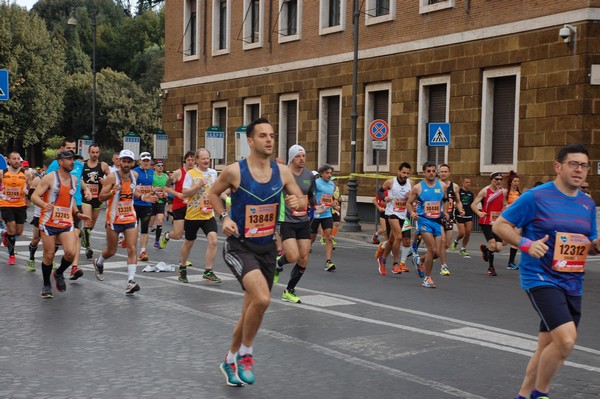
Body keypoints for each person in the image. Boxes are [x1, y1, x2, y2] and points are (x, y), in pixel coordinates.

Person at [493, 144, 599, 399]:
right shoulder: (536, 197)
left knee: (546, 346)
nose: (579, 170)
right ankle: (541, 394)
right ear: (558, 166)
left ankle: (524, 394)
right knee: (565, 340)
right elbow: (500, 225)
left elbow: (590, 243)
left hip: (572, 280)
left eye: (584, 165)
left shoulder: (587, 204)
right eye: (573, 164)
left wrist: (596, 246)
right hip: (540, 277)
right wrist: (527, 244)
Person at [207, 118, 305, 387]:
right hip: (239, 246)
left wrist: (298, 201)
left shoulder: (283, 172)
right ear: (250, 141)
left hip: (266, 249)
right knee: (262, 299)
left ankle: (229, 359)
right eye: (263, 135)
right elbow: (213, 194)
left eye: (272, 135)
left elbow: (300, 200)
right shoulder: (234, 171)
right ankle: (246, 355)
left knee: (249, 311)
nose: (269, 140)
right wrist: (224, 217)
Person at [93, 149, 158, 294]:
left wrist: (143, 198)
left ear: (132, 163)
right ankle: (99, 263)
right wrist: (111, 192)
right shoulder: (111, 177)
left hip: (130, 217)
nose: (126, 164)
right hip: (114, 219)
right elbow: (101, 197)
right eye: (124, 161)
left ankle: (131, 281)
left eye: (129, 162)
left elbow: (134, 191)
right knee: (111, 250)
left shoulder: (134, 176)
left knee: (132, 248)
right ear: (119, 162)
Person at [30, 150, 91, 298]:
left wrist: (77, 213)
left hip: (66, 221)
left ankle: (58, 273)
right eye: (69, 159)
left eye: (73, 159)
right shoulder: (49, 178)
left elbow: (70, 201)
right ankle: (46, 284)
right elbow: (34, 196)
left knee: (70, 253)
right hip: (48, 221)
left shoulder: (74, 180)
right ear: (60, 162)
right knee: (49, 255)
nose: (72, 162)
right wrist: (44, 205)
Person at [274, 144, 316, 304]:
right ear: (292, 158)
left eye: (303, 156)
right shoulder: (283, 174)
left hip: (303, 220)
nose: (302, 159)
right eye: (298, 156)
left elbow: (310, 194)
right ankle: (279, 263)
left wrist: (315, 205)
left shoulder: (309, 175)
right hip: (287, 220)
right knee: (292, 256)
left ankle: (289, 290)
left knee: (304, 257)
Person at [46, 138, 92, 280]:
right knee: (55, 240)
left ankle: (74, 267)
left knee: (76, 235)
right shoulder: (55, 164)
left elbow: (80, 180)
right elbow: (46, 180)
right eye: (69, 148)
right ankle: (52, 258)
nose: (72, 150)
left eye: (74, 148)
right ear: (62, 148)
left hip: (75, 203)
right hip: (58, 206)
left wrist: (86, 189)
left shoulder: (78, 164)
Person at [178, 148, 222, 284]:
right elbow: (185, 193)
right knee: (189, 243)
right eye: (203, 158)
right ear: (197, 160)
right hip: (193, 215)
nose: (206, 160)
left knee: (214, 240)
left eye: (208, 158)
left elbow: (217, 191)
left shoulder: (213, 173)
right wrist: (198, 186)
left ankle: (208, 271)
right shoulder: (191, 174)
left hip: (208, 214)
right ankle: (182, 267)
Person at [406, 162, 451, 288]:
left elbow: (446, 200)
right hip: (424, 220)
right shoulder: (418, 188)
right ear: (424, 172)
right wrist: (412, 213)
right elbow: (409, 203)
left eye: (433, 171)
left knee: (436, 253)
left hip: (437, 221)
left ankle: (419, 260)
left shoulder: (442, 186)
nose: (431, 173)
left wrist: (445, 212)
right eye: (428, 171)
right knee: (432, 250)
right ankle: (427, 278)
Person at [377, 162, 413, 275]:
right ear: (398, 171)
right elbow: (379, 191)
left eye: (407, 173)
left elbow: (415, 197)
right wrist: (385, 197)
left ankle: (382, 260)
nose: (405, 175)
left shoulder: (411, 183)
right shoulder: (390, 182)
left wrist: (410, 197)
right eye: (403, 172)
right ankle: (395, 264)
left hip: (403, 213)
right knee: (399, 237)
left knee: (392, 240)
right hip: (391, 213)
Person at [0, 151, 34, 265]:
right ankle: (12, 255)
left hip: (20, 204)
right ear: (9, 161)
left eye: (18, 159)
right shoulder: (2, 173)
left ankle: (6, 234)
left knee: (18, 232)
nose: (16, 161)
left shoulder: (26, 173)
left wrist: (27, 193)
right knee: (12, 228)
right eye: (14, 159)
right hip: (6, 204)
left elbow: (32, 187)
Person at [472, 172, 507, 277]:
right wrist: (479, 213)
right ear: (491, 180)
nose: (499, 181)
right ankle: (491, 268)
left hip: (497, 222)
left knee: (499, 247)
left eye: (501, 179)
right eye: (496, 179)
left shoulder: (503, 192)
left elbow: (503, 205)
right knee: (492, 244)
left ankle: (486, 250)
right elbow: (473, 204)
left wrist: (504, 215)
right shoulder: (485, 191)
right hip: (486, 221)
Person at [159, 151, 195, 253]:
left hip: (192, 207)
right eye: (188, 160)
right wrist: (177, 194)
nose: (190, 162)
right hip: (179, 206)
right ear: (185, 161)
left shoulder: (197, 173)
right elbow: (166, 187)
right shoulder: (178, 173)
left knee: (190, 236)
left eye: (192, 160)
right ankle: (167, 235)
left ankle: (183, 258)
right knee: (178, 235)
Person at [81, 143, 111, 260]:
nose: (95, 154)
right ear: (89, 152)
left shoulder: (103, 166)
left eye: (97, 152)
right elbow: (79, 178)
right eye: (92, 152)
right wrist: (86, 188)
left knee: (91, 225)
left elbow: (111, 178)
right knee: (88, 222)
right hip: (86, 198)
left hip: (98, 199)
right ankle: (88, 248)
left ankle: (84, 234)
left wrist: (106, 182)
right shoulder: (83, 165)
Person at [437, 164, 464, 276]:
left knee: (447, 244)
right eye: (441, 171)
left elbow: (458, 201)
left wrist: (461, 210)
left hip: (449, 217)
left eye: (445, 171)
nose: (443, 173)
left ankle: (429, 257)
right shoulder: (435, 185)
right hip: (437, 217)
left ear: (449, 173)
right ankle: (444, 266)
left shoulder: (455, 186)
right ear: (438, 173)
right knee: (442, 240)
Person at [310, 164, 337, 272]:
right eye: (327, 173)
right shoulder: (316, 183)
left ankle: (328, 262)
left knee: (329, 237)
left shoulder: (332, 184)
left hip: (327, 214)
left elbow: (331, 198)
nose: (329, 175)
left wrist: (334, 203)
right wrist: (314, 205)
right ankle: (300, 255)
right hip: (316, 214)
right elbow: (310, 195)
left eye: (331, 173)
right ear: (321, 174)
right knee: (311, 239)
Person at [133, 151, 155, 261]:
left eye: (147, 160)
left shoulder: (152, 172)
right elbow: (131, 187)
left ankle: (143, 251)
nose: (146, 162)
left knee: (145, 228)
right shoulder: (134, 172)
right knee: (133, 229)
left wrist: (157, 192)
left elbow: (152, 187)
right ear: (140, 161)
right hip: (135, 204)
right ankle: (132, 250)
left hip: (147, 204)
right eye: (144, 160)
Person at [451, 177, 475, 258]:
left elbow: (472, 204)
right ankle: (456, 241)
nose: (468, 184)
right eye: (466, 182)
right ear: (463, 183)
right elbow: (456, 202)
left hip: (468, 214)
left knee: (468, 233)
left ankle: (463, 248)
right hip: (459, 214)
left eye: (469, 182)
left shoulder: (471, 194)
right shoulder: (459, 192)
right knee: (462, 233)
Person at [505, 170, 522, 270]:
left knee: (515, 241)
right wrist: (508, 206)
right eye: (515, 181)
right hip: (507, 218)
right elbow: (503, 204)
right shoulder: (506, 192)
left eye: (518, 181)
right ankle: (489, 250)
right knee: (503, 243)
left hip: (517, 219)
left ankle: (511, 262)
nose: (516, 183)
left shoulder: (519, 193)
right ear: (511, 182)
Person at [150, 159, 168, 249]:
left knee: (160, 220)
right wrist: (154, 191)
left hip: (161, 201)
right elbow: (148, 186)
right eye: (158, 165)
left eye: (162, 166)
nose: (160, 167)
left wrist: (165, 194)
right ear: (154, 167)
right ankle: (151, 226)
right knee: (151, 221)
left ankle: (157, 240)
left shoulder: (166, 176)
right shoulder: (151, 176)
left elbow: (169, 188)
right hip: (152, 200)